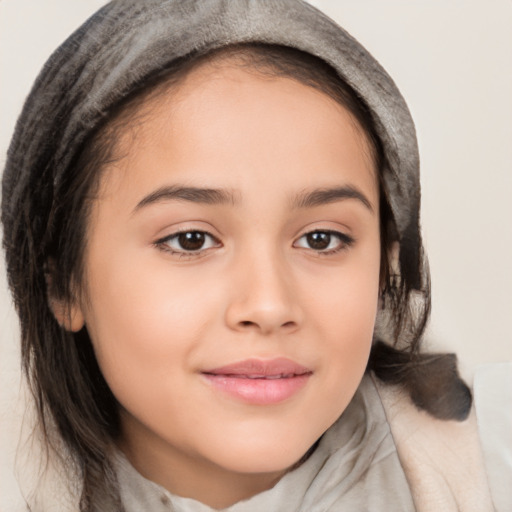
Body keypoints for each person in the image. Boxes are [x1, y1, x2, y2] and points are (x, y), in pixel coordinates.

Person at [1, 1, 510, 511]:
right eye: (191, 240)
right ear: (63, 282)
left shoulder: (492, 461)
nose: (268, 306)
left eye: (321, 239)